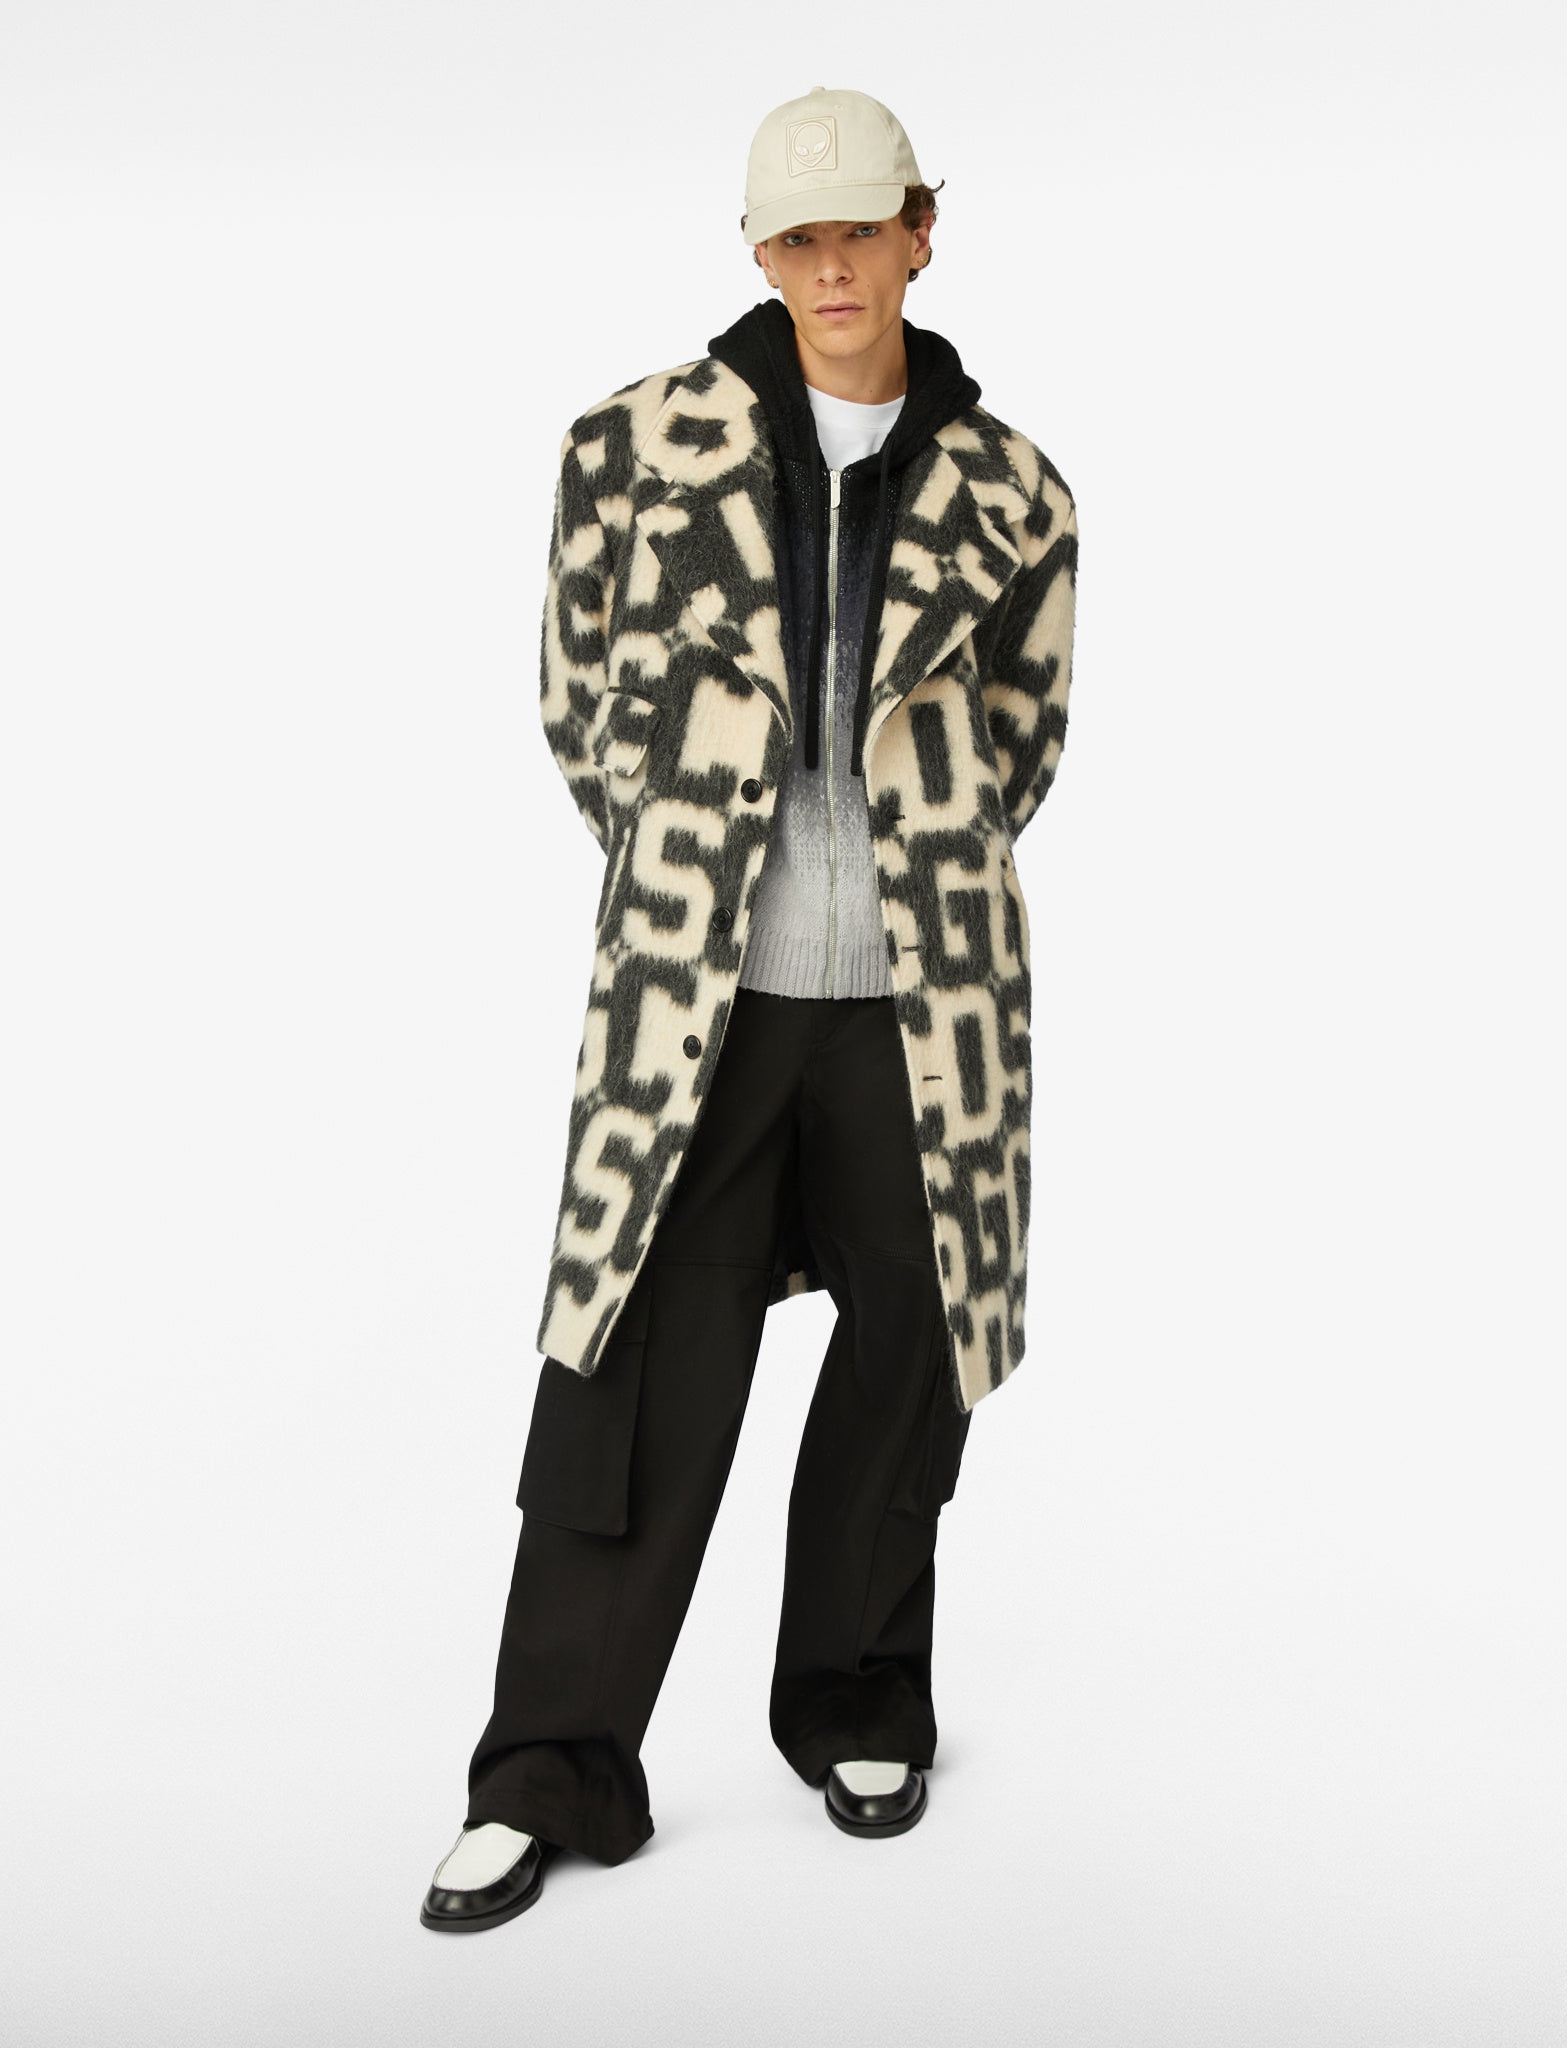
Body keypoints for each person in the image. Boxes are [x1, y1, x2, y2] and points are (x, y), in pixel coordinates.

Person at [421, 83, 1078, 1933]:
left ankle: (858, 1702)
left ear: (921, 230)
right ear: (755, 251)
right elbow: (578, 707)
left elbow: (1021, 741)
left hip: (921, 995)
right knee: (630, 1366)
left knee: (908, 1349)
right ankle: (547, 1768)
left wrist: (914, 867)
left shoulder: (1017, 488)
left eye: (860, 229)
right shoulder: (630, 446)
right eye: (797, 237)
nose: (830, 266)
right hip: (695, 994)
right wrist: (693, 865)